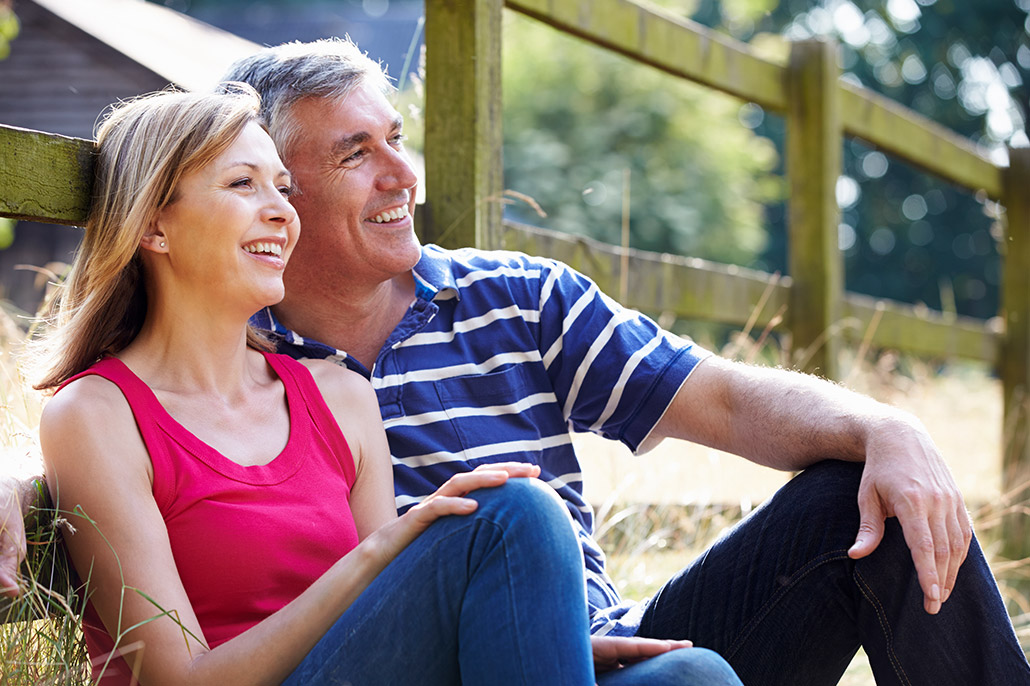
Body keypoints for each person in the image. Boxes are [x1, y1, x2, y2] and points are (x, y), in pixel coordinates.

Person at [2, 36, 1027, 684]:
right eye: (354, 153)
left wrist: (885, 424)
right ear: (282, 193)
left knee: (865, 497)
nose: (402, 173)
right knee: (539, 533)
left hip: (607, 640)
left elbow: (719, 396)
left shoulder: (505, 298)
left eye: (397, 138)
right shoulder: (253, 348)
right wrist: (28, 486)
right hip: (441, 653)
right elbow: (169, 444)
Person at [18, 86, 733, 686]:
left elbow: (390, 622)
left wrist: (536, 639)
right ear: (153, 226)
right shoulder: (98, 414)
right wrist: (379, 551)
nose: (281, 211)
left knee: (690, 677)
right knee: (514, 509)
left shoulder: (337, 396)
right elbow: (178, 679)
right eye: (243, 184)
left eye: (283, 186)